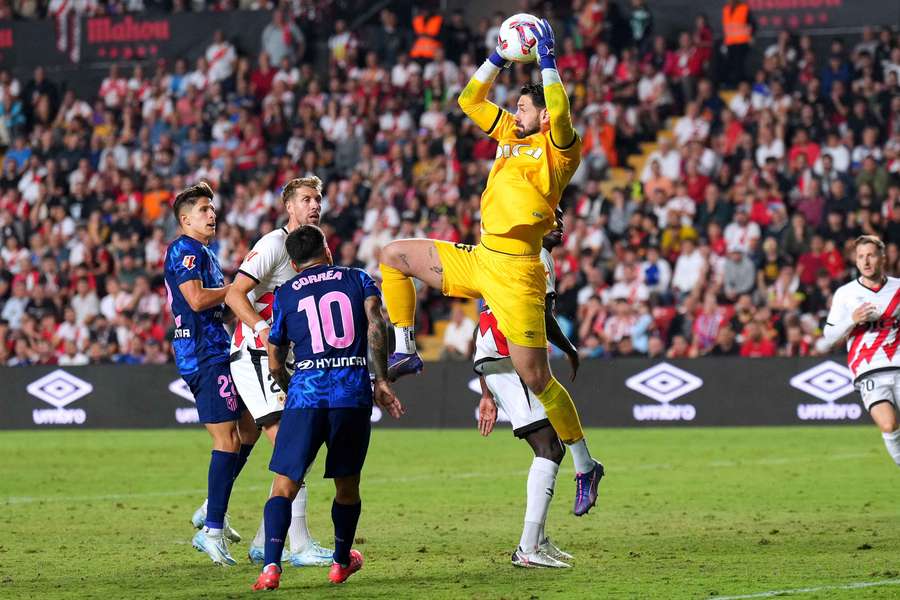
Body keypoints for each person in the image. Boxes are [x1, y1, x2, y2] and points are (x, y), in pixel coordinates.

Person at [379, 19, 603, 517]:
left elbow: (561, 111)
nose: (514, 111)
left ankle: (586, 465)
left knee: (538, 378)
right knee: (394, 256)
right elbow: (469, 101)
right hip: (481, 258)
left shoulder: (560, 149)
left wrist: (547, 62)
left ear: (542, 115)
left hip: (520, 272)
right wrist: (499, 56)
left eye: (524, 107)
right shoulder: (508, 132)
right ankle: (405, 348)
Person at [251, 225, 403, 590]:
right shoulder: (358, 278)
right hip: (351, 394)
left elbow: (275, 356)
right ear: (327, 251)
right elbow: (376, 324)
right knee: (346, 486)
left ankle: (271, 568)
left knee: (283, 486)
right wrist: (381, 380)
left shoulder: (286, 292)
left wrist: (291, 386)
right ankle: (339, 562)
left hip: (306, 395)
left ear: (292, 262)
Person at [197, 176, 332, 567]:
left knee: (286, 447)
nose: (314, 205)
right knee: (294, 448)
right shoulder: (272, 245)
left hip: (288, 360)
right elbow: (236, 293)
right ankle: (300, 545)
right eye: (306, 199)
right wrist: (261, 329)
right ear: (289, 206)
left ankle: (259, 540)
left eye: (318, 199)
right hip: (255, 356)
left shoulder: (318, 246)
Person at [475, 210, 580, 568]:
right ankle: (528, 549)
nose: (560, 225)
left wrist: (486, 392)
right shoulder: (539, 257)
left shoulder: (510, 253)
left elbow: (485, 317)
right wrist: (570, 348)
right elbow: (545, 319)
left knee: (551, 448)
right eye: (553, 218)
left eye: (563, 219)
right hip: (511, 356)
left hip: (496, 355)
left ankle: (536, 540)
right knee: (550, 448)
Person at [164, 182, 254, 565]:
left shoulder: (205, 252)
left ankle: (210, 507)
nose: (211, 214)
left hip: (220, 348)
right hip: (202, 353)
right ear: (185, 219)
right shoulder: (183, 250)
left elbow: (218, 303)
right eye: (203, 209)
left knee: (250, 426)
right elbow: (198, 299)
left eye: (212, 208)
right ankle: (211, 530)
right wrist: (235, 289)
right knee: (227, 440)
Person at [822, 235, 900, 469]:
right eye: (860, 257)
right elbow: (829, 337)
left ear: (882, 258)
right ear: (855, 261)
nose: (866, 261)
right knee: (888, 425)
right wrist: (852, 319)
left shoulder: (897, 288)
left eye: (871, 255)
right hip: (868, 370)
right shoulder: (845, 294)